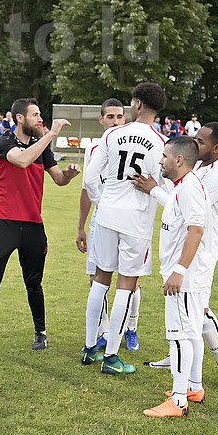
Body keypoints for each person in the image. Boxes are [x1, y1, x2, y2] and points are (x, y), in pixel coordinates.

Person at [0, 97, 80, 355]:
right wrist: (52, 134)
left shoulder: (40, 145)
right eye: (35, 115)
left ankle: (41, 333)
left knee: (34, 283)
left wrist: (69, 175)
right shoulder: (5, 141)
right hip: (4, 223)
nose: (40, 119)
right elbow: (23, 160)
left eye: (40, 115)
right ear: (20, 118)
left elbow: (58, 179)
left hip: (33, 225)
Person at [142, 123, 218, 393]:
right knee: (189, 322)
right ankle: (187, 375)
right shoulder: (196, 171)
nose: (196, 143)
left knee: (196, 315)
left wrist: (154, 190)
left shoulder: (216, 175)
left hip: (199, 252)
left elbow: (189, 216)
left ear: (216, 148)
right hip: (187, 250)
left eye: (201, 141)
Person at [79, 82, 166, 374]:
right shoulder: (162, 142)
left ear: (138, 104)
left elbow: (90, 179)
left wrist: (102, 202)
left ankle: (90, 348)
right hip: (136, 221)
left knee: (100, 280)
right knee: (126, 285)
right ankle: (112, 357)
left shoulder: (111, 134)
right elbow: (165, 189)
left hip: (106, 215)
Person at [135, 136, 210, 417]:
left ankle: (178, 400)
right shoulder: (183, 186)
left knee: (179, 336)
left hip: (184, 278)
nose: (160, 161)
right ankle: (194, 387)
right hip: (188, 275)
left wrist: (179, 271)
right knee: (191, 334)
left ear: (179, 160)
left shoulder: (189, 188)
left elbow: (196, 230)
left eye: (165, 156)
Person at [77, 98, 140, 359]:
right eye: (110, 117)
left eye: (120, 116)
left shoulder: (134, 144)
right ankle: (103, 330)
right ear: (101, 119)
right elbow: (86, 187)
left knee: (130, 280)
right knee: (96, 279)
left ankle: (131, 328)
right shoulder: (93, 149)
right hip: (99, 222)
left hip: (127, 221)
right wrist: (81, 226)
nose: (116, 121)